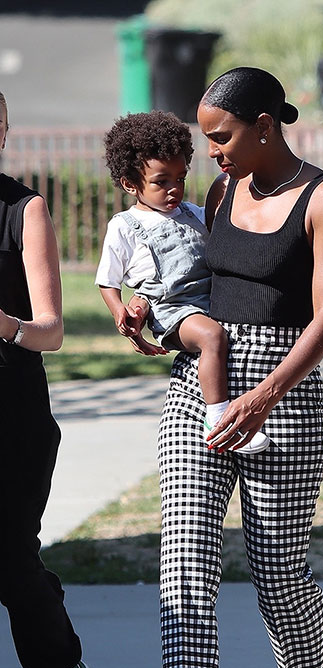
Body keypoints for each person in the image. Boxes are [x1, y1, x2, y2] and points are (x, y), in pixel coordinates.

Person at [146, 67, 323, 668]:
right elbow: (196, 287)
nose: (211, 153)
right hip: (200, 389)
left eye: (221, 136)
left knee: (279, 579)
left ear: (266, 124)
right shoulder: (219, 191)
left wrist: (265, 397)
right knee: (184, 567)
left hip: (284, 395)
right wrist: (160, 326)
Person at [0, 90, 91, 668]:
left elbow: (52, 331)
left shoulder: (23, 210)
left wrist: (4, 326)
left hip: (14, 421)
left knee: (8, 563)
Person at [96, 110, 268, 453]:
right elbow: (107, 280)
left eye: (180, 178)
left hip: (208, 299)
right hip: (171, 309)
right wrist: (121, 311)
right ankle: (219, 419)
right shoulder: (125, 227)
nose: (174, 188)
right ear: (131, 184)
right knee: (211, 336)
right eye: (161, 182)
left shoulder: (194, 213)